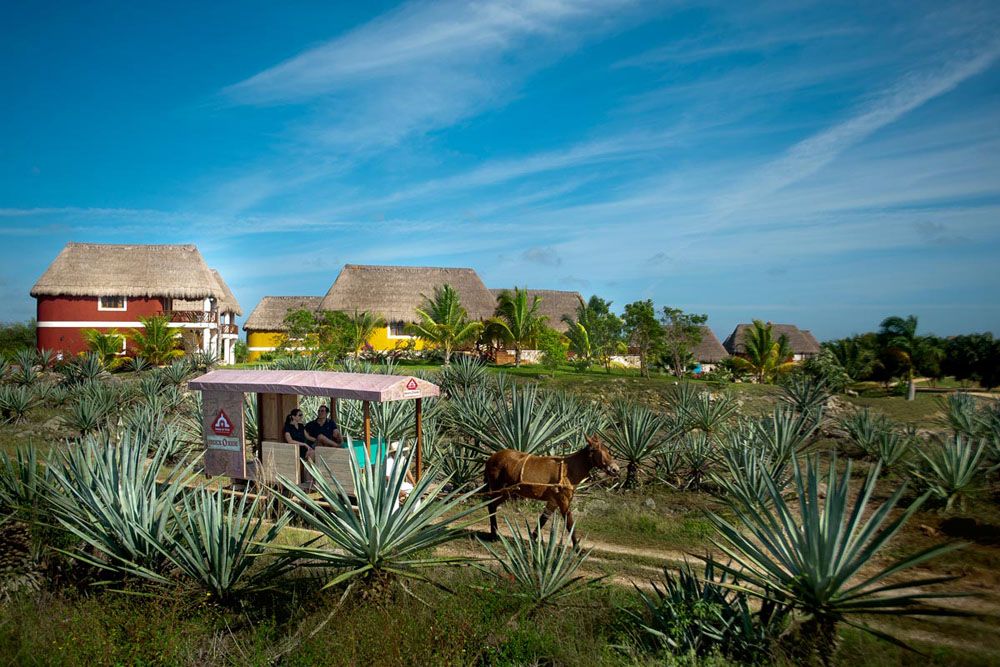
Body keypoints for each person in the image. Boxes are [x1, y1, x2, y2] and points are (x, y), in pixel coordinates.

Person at [283, 409, 315, 483]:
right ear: (293, 417)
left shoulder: (301, 426)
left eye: (302, 415)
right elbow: (290, 441)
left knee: (314, 453)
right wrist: (304, 444)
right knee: (312, 454)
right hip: (295, 448)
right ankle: (308, 478)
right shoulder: (287, 427)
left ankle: (308, 477)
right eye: (300, 415)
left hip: (304, 448)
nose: (301, 417)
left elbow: (308, 437)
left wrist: (319, 440)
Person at [384, 441, 417, 507]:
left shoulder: (402, 459)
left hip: (401, 484)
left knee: (415, 493)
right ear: (393, 453)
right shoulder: (388, 462)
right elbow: (387, 478)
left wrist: (414, 484)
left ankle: (416, 513)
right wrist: (399, 490)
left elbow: (407, 471)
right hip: (389, 487)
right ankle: (393, 515)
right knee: (394, 501)